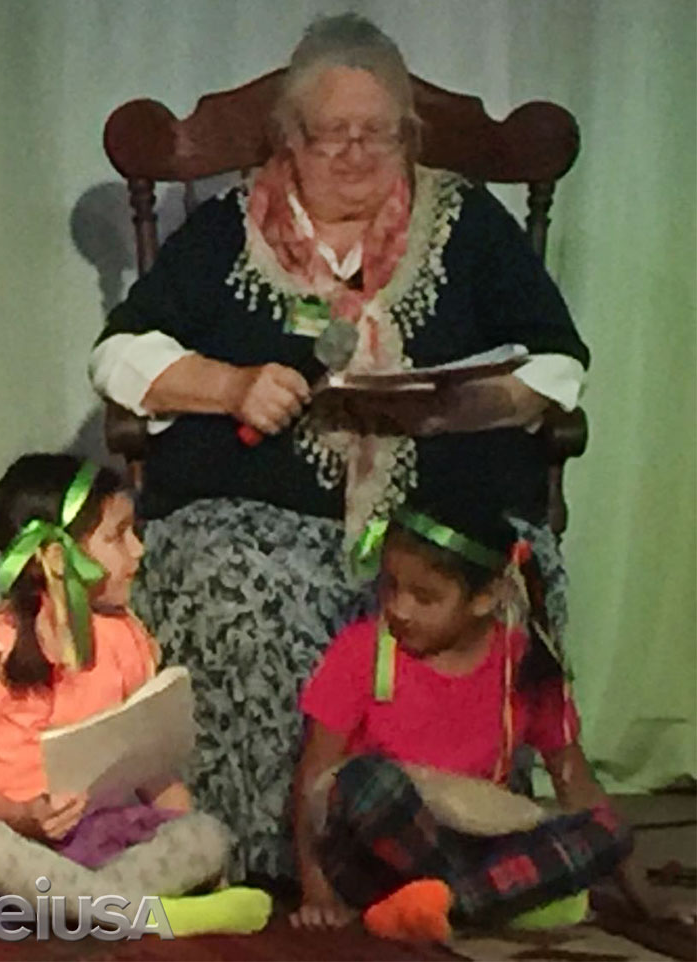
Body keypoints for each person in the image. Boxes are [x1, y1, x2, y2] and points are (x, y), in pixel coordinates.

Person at [88, 12, 589, 879]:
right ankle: (266, 852)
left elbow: (557, 357)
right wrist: (229, 384)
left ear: (407, 136)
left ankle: (446, 846)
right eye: (331, 135)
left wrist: (484, 401)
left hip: (434, 522)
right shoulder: (228, 232)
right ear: (290, 137)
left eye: (377, 134)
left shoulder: (466, 224)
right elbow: (118, 353)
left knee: (474, 584)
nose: (355, 154)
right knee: (238, 593)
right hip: (255, 522)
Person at [291, 498, 660, 941]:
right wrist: (317, 892)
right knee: (366, 782)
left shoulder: (524, 664)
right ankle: (473, 901)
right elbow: (313, 778)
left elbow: (576, 785)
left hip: (473, 849)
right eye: (391, 587)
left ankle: (446, 902)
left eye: (425, 597)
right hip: (378, 855)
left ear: (485, 598)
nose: (400, 609)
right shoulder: (361, 651)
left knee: (608, 829)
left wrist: (650, 904)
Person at [0, 454, 272, 936]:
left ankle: (89, 912)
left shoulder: (125, 637)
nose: (138, 550)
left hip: (112, 840)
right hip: (28, 847)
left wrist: (201, 850)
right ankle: (141, 915)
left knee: (205, 835)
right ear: (56, 558)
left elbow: (153, 768)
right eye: (118, 537)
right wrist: (27, 817)